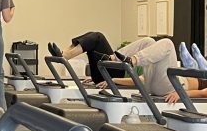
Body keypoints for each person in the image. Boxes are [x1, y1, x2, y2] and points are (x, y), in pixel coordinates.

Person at [50, 33, 178, 97]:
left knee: (167, 43)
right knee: (148, 40)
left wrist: (113, 80)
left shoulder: (184, 73)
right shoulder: (151, 54)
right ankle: (63, 54)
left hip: (120, 75)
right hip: (117, 72)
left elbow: (141, 80)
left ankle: (126, 60)